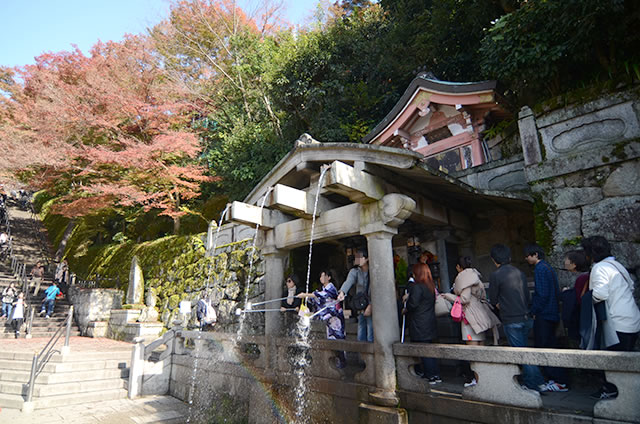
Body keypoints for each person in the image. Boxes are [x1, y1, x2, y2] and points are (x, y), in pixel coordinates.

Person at [582, 236, 640, 399]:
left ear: (591, 254)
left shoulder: (600, 268)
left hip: (617, 322)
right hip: (632, 318)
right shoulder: (617, 265)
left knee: (614, 362)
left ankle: (614, 392)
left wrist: (586, 300)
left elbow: (600, 294)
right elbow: (631, 285)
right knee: (624, 361)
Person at [488, 244, 546, 392]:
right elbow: (527, 295)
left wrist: (501, 306)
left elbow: (493, 299)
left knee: (521, 353)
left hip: (511, 318)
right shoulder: (519, 272)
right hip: (525, 315)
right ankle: (533, 381)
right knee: (525, 350)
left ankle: (535, 383)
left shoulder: (495, 275)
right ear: (509, 257)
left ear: (494, 259)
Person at [443, 257, 501, 387]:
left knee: (473, 351)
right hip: (481, 315)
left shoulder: (464, 278)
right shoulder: (475, 276)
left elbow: (464, 298)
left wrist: (449, 296)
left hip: (470, 316)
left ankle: (478, 380)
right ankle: (484, 378)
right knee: (481, 347)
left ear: (458, 267)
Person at [524, 244, 568, 392]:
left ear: (535, 254)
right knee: (551, 346)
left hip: (544, 314)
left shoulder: (540, 269)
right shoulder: (548, 268)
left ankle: (557, 380)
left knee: (544, 348)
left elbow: (542, 294)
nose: (526, 258)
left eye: (528, 255)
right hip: (552, 312)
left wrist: (533, 311)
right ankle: (557, 379)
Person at [298, 270, 346, 368]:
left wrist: (306, 295)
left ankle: (342, 364)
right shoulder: (323, 288)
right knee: (331, 340)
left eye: (324, 276)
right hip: (329, 320)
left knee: (339, 340)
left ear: (329, 277)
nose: (321, 278)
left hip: (335, 318)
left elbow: (321, 295)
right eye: (320, 276)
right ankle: (334, 364)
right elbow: (317, 299)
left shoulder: (331, 288)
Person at [403, 263, 440, 384]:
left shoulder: (417, 287)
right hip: (430, 321)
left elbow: (413, 304)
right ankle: (435, 374)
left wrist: (406, 303)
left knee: (423, 350)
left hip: (419, 322)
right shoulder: (430, 286)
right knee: (430, 349)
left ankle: (430, 375)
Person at [338, 248, 373, 342]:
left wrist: (371, 305)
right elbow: (349, 281)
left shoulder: (373, 271)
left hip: (372, 303)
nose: (358, 260)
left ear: (367, 259)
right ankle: (362, 354)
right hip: (360, 305)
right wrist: (342, 292)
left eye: (361, 258)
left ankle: (372, 354)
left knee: (371, 329)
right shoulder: (355, 272)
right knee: (361, 328)